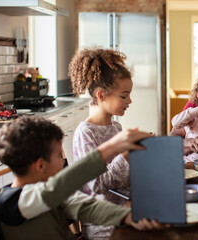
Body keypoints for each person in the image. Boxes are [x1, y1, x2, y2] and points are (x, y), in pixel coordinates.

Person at [0, 116, 164, 240]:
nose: (63, 161)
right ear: (40, 165)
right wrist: (109, 149)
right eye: (59, 156)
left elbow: (85, 206)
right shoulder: (12, 202)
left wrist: (129, 216)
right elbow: (55, 189)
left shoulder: (48, 192)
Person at [68, 48, 136, 239]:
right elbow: (96, 185)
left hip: (124, 210)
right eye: (124, 96)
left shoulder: (116, 127)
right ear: (101, 95)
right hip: (103, 224)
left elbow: (121, 175)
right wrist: (125, 155)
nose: (130, 100)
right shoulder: (85, 133)